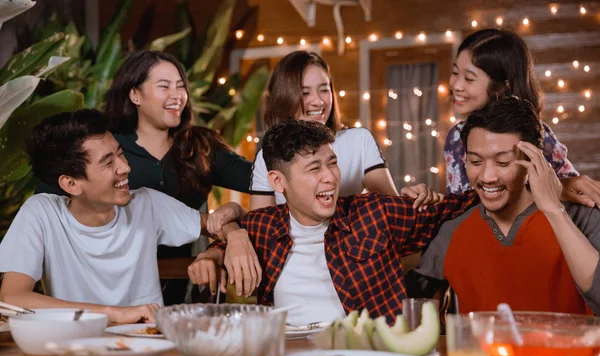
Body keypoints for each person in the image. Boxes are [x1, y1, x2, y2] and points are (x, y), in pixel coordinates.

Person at [189, 120, 479, 324]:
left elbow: (461, 206)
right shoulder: (262, 227)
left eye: (332, 163)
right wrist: (211, 255)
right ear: (278, 181)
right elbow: (221, 245)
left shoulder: (375, 214)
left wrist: (431, 195)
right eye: (315, 168)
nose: (330, 177)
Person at [38, 50, 260, 302]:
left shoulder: (201, 145)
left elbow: (265, 181)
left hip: (197, 284)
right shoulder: (108, 150)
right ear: (134, 95)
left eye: (180, 86)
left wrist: (233, 222)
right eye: (164, 86)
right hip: (122, 292)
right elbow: (50, 206)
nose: (177, 95)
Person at [0, 109, 252, 323]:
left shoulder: (145, 203)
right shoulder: (41, 212)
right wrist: (113, 313)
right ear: (71, 184)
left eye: (120, 153)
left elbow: (216, 224)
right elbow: (11, 298)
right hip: (76, 351)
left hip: (148, 344)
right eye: (108, 163)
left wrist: (234, 236)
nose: (125, 167)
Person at [416, 97, 600, 315]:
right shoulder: (451, 232)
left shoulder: (583, 217)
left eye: (502, 162)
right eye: (475, 162)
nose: (486, 176)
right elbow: (411, 307)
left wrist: (554, 210)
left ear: (533, 160)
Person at [445, 28, 600, 206]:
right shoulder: (457, 137)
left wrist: (561, 187)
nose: (456, 85)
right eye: (455, 73)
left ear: (501, 87)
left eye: (469, 79)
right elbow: (459, 207)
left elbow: (577, 194)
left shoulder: (538, 135)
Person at [250, 51, 400, 210]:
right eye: (305, 93)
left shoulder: (359, 141)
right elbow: (260, 226)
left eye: (324, 90)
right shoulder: (266, 157)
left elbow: (394, 210)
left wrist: (418, 199)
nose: (318, 101)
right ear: (284, 98)